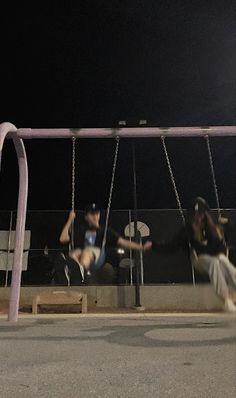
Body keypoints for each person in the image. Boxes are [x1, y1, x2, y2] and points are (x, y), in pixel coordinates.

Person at [146, 197, 236, 313]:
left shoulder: (214, 228)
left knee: (222, 259)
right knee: (215, 261)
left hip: (217, 258)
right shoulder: (187, 230)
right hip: (199, 260)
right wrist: (154, 246)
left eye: (201, 214)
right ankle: (226, 300)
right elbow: (171, 246)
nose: (198, 217)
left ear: (205, 214)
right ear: (192, 215)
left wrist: (228, 224)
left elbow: (222, 243)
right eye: (195, 214)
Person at [59, 203, 150, 282]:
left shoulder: (105, 231)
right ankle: (73, 271)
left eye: (97, 214)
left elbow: (123, 242)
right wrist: (70, 220)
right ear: (86, 217)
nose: (95, 216)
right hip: (84, 255)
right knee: (75, 253)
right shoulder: (81, 231)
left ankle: (81, 271)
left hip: (98, 257)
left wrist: (141, 247)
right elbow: (63, 239)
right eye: (92, 214)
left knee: (87, 252)